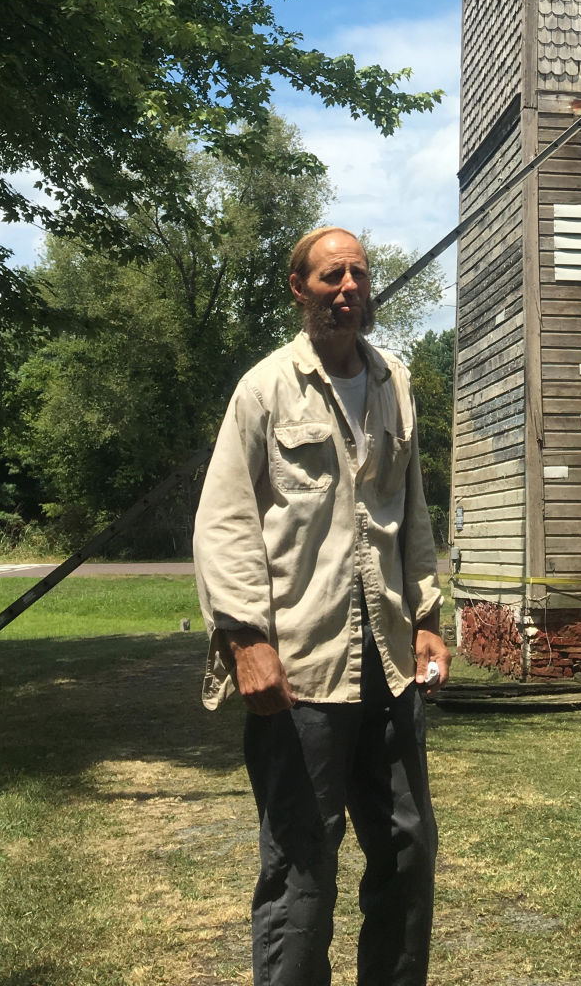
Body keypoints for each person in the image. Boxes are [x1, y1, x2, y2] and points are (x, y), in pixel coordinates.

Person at [194, 225, 450, 986]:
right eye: (331, 277)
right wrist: (245, 640)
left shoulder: (394, 381)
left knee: (408, 847)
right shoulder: (265, 388)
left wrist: (429, 618)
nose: (348, 289)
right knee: (302, 862)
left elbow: (410, 509)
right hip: (301, 668)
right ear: (299, 290)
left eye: (359, 276)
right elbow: (226, 520)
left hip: (390, 662)